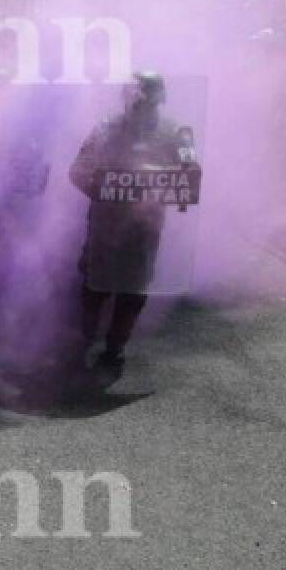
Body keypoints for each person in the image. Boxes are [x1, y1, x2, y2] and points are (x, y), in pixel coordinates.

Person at [69, 71, 200, 378]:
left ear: (159, 99)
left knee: (133, 290)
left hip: (145, 226)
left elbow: (190, 171)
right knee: (95, 286)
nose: (141, 106)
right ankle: (85, 340)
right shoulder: (104, 128)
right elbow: (77, 170)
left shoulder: (177, 133)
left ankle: (115, 347)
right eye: (137, 99)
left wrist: (173, 183)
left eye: (148, 100)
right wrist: (99, 190)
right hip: (105, 223)